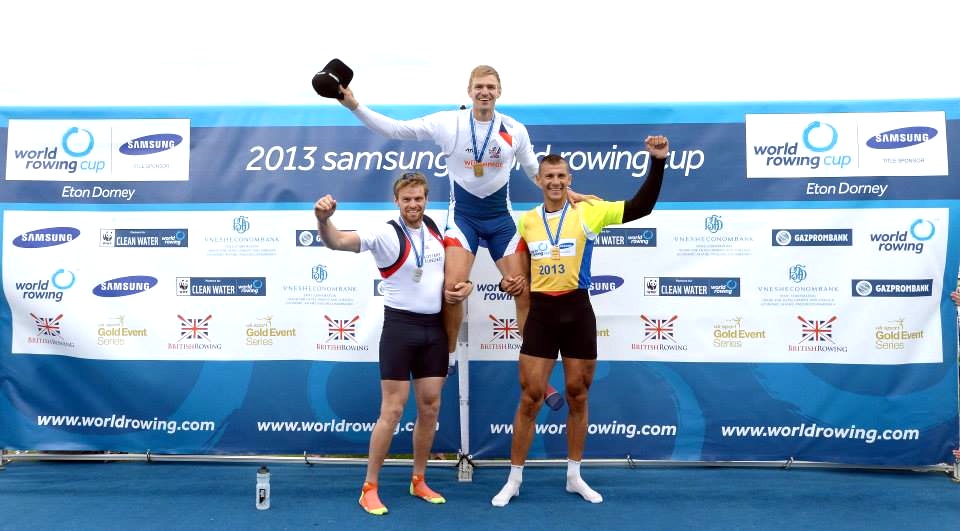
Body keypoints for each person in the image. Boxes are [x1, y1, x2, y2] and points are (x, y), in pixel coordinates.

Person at [337, 65, 596, 372]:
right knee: (453, 290)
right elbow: (395, 129)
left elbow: (533, 171)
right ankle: (446, 357)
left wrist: (569, 192)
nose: (485, 92)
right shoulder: (449, 123)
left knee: (523, 288)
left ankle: (534, 361)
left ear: (499, 91)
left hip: (501, 221)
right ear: (469, 91)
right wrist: (354, 105)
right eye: (479, 87)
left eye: (490, 87)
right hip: (463, 220)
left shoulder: (514, 129)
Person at [491, 135, 670, 507]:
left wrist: (657, 162)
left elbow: (642, 206)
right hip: (542, 314)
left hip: (577, 312)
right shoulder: (526, 221)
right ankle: (514, 479)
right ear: (538, 181)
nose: (555, 182)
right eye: (549, 176)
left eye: (561, 176)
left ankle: (574, 476)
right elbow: (514, 273)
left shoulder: (589, 212)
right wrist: (508, 283)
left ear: (569, 180)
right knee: (530, 397)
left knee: (578, 393)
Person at [314, 172, 473, 516]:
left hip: (434, 331)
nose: (414, 205)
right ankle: (369, 487)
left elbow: (455, 277)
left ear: (426, 199)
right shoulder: (385, 233)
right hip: (401, 330)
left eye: (419, 198)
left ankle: (419, 479)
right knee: (393, 411)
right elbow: (337, 241)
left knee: (430, 408)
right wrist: (323, 221)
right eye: (407, 199)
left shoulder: (435, 229)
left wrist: (466, 287)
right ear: (396, 201)